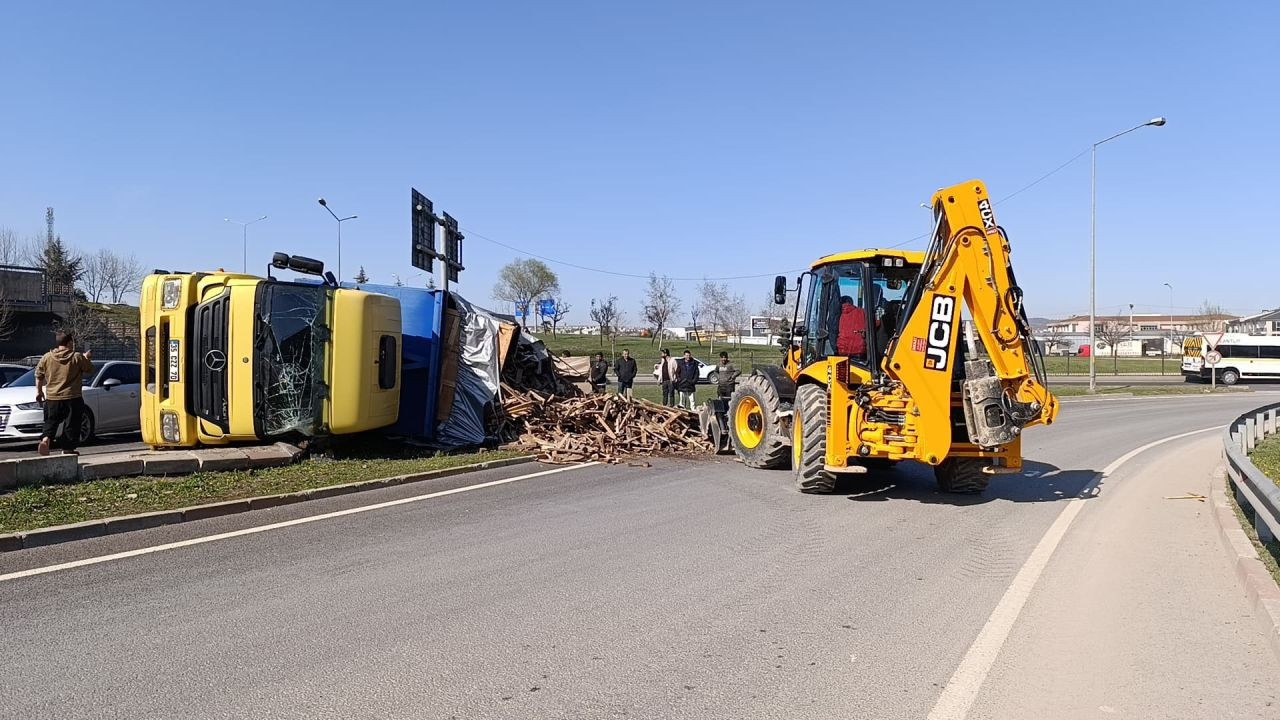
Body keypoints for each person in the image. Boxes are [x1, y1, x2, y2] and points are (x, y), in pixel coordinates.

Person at [34, 331, 94, 456]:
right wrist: (87, 358)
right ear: (70, 342)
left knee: (51, 421)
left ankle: (46, 440)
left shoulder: (47, 357)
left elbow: (38, 376)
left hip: (52, 397)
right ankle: (68, 449)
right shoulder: (76, 357)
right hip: (72, 396)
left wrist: (39, 392)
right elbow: (89, 369)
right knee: (72, 423)